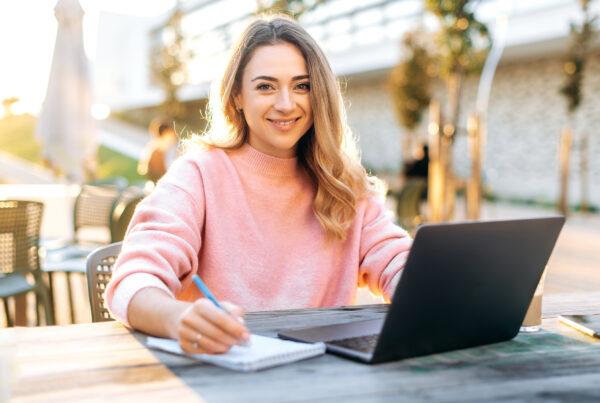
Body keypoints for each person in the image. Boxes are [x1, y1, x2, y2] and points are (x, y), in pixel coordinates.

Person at [106, 15, 412, 355]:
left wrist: (423, 292)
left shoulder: (343, 183)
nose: (285, 103)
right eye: (266, 86)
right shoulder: (198, 174)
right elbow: (133, 278)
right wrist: (178, 317)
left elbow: (398, 262)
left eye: (302, 86)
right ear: (237, 95)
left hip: (324, 378)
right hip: (225, 373)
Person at [137, 118, 179, 183]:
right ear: (166, 133)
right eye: (171, 133)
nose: (174, 135)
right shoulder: (158, 150)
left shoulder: (158, 147)